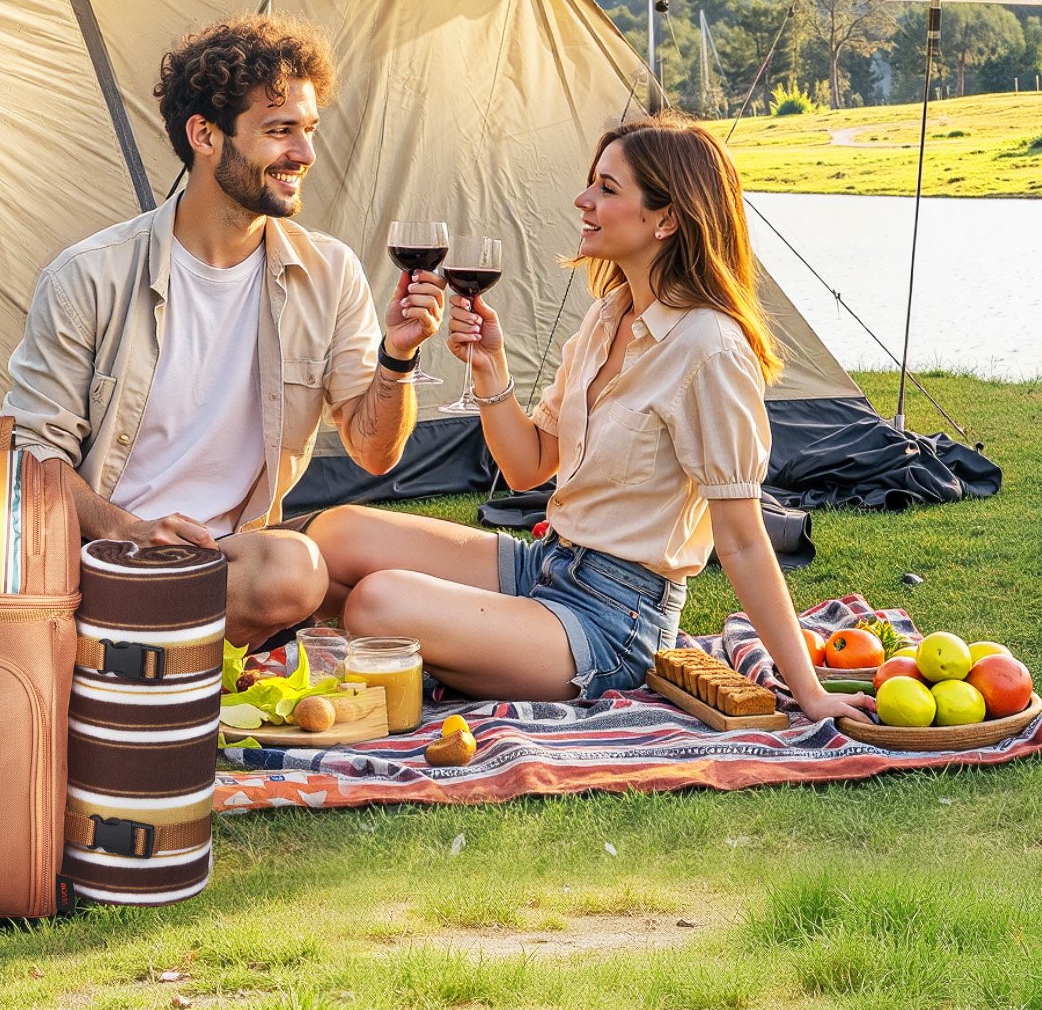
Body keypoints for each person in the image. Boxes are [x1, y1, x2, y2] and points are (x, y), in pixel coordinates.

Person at [310, 113, 874, 722]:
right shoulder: (608, 315)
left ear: (666, 219)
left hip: (615, 619)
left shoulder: (710, 349)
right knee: (337, 535)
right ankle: (410, 651)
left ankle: (437, 651)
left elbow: (740, 539)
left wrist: (808, 692)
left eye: (607, 188)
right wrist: (490, 368)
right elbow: (528, 467)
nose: (583, 200)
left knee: (378, 604)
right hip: (547, 562)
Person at [2, 13, 444, 646]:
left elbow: (376, 453)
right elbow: (30, 457)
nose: (305, 154)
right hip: (107, 557)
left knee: (371, 558)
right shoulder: (89, 276)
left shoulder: (330, 272)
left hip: (232, 557)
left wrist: (396, 359)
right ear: (204, 135)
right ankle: (140, 649)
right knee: (295, 574)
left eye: (309, 131)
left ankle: (145, 648)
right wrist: (128, 531)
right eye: (280, 131)